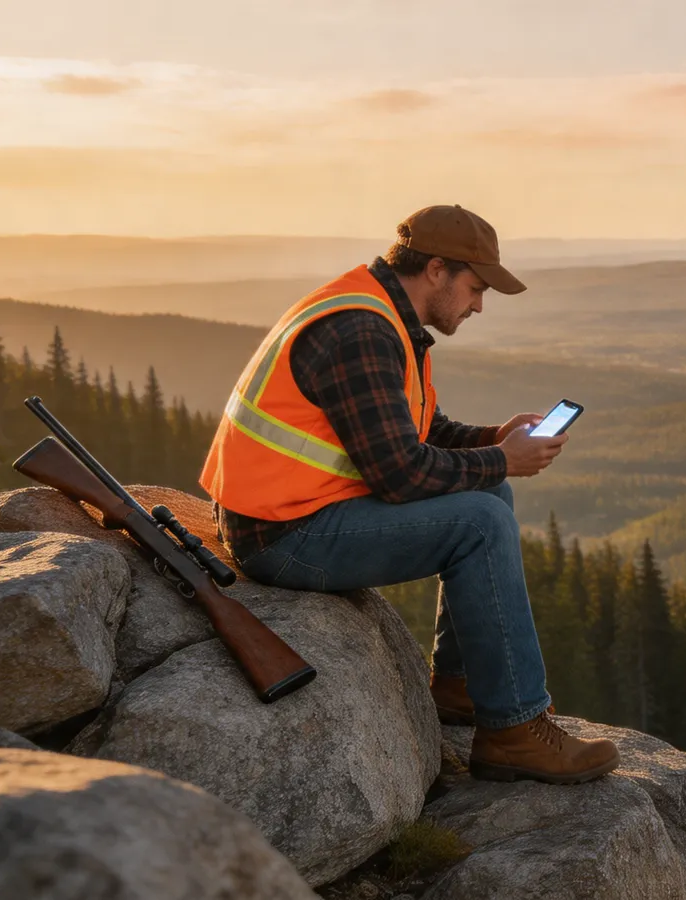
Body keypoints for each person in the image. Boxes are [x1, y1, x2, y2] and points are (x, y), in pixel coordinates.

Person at [199, 204, 619, 785]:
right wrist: (503, 458)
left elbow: (417, 431)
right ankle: (515, 733)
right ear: (438, 269)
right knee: (480, 522)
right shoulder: (361, 330)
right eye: (475, 288)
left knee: (491, 492)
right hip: (282, 535)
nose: (478, 305)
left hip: (295, 511)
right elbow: (400, 475)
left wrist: (494, 441)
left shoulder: (381, 313)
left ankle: (460, 686)